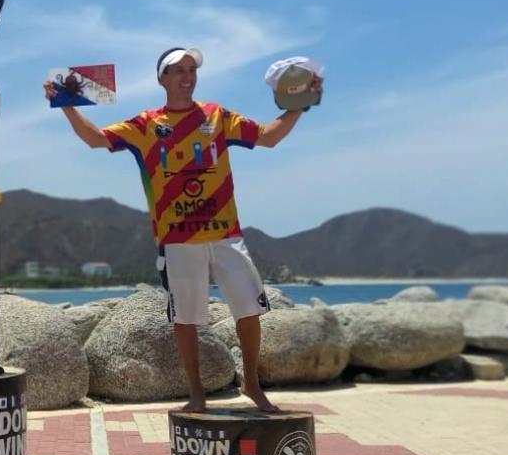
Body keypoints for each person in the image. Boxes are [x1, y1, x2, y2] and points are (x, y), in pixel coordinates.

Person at [45, 47, 322, 412]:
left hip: (225, 231)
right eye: (178, 70)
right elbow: (96, 139)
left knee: (248, 308)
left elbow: (268, 137)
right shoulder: (146, 124)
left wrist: (299, 104)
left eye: (192, 70)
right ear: (162, 78)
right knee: (186, 317)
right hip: (177, 238)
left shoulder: (217, 116)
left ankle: (251, 384)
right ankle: (196, 394)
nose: (187, 76)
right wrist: (66, 103)